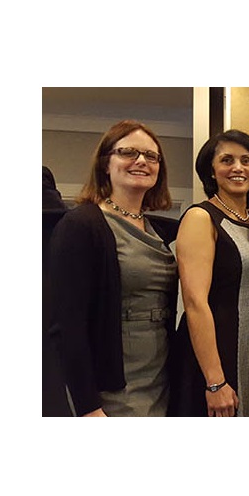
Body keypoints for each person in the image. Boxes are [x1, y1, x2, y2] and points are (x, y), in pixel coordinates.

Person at [47, 119, 179, 417]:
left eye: (151, 156)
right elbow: (67, 326)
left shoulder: (161, 230)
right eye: (128, 152)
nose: (141, 161)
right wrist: (88, 407)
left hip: (161, 375)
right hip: (112, 385)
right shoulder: (82, 225)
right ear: (106, 163)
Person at [175, 129, 249, 417]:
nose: (238, 168)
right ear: (211, 171)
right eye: (227, 160)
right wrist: (215, 382)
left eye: (246, 160)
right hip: (222, 350)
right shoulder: (200, 218)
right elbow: (194, 303)